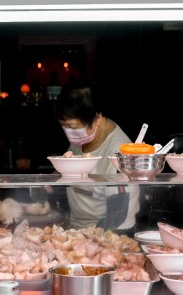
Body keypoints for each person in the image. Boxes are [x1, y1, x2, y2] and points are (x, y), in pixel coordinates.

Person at [54, 81, 139, 232]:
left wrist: (90, 239)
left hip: (113, 231)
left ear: (97, 118)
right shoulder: (82, 136)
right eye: (64, 126)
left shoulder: (119, 152)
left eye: (73, 127)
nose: (68, 132)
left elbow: (118, 214)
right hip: (77, 228)